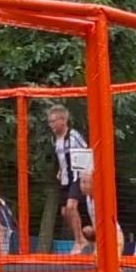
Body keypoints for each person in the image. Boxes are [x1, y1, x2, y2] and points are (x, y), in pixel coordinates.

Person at [48, 105, 89, 254]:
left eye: (53, 121)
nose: (51, 125)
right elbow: (61, 158)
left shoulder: (73, 136)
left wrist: (87, 174)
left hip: (76, 177)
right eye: (50, 122)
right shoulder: (55, 139)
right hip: (65, 179)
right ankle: (82, 238)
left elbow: (86, 151)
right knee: (65, 212)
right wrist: (60, 170)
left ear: (63, 120)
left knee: (71, 207)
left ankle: (79, 241)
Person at [78, 169, 124, 256]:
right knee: (86, 230)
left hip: (113, 236)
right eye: (81, 182)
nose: (82, 186)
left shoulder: (101, 198)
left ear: (93, 183)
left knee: (113, 263)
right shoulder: (88, 198)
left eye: (84, 182)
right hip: (100, 235)